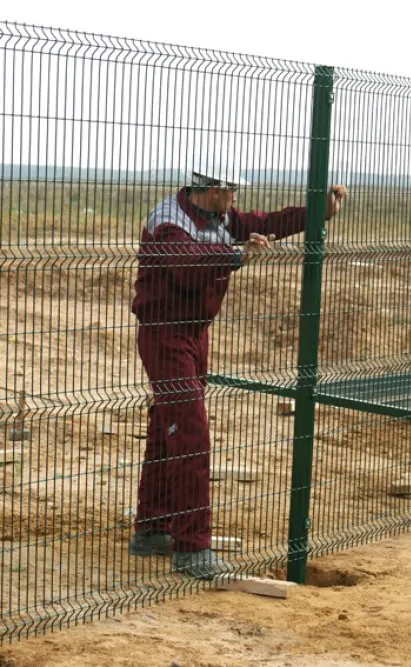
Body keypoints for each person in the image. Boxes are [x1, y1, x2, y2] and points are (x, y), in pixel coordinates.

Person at [128, 163, 348, 579]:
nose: (236, 200)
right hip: (165, 334)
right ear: (210, 191)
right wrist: (235, 254)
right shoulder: (168, 222)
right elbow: (186, 266)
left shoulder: (222, 217)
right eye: (230, 191)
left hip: (194, 333)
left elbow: (269, 222)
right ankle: (192, 549)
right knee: (191, 432)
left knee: (168, 427)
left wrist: (319, 211)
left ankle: (153, 527)